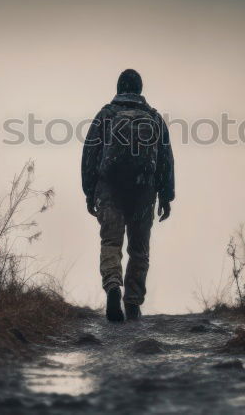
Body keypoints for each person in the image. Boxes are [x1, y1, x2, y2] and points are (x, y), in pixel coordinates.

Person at [81, 69, 175, 322]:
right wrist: (166, 196)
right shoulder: (154, 118)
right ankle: (132, 301)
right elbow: (165, 158)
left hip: (109, 188)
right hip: (144, 190)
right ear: (140, 89)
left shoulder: (106, 115)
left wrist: (89, 192)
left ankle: (113, 285)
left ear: (119, 87)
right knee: (139, 248)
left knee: (111, 242)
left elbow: (90, 154)